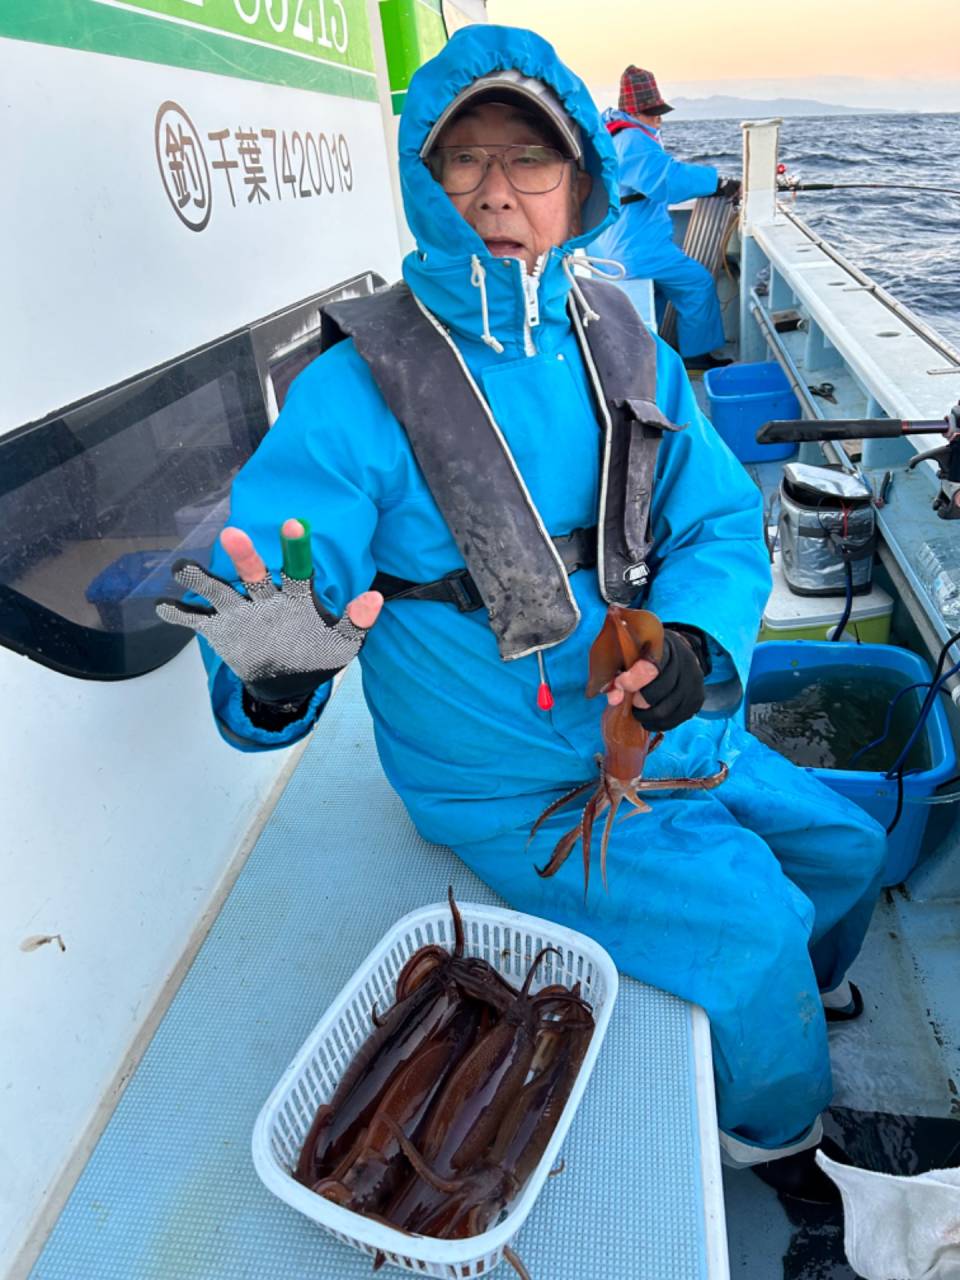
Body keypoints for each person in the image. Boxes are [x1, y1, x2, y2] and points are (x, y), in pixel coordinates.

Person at [157, 24, 886, 1203]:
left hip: (663, 726)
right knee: (752, 931)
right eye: (466, 159)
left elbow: (709, 522)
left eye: (529, 159)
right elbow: (292, 565)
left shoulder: (625, 336)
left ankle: (811, 985)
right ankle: (779, 1138)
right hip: (510, 777)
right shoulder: (356, 386)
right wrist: (274, 677)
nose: (499, 190)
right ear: (424, 177)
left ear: (580, 179)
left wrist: (699, 644)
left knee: (844, 849)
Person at [588, 65, 741, 371]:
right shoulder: (632, 139)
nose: (658, 117)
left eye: (659, 110)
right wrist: (719, 184)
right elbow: (666, 181)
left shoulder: (612, 134)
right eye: (651, 111)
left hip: (617, 241)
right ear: (633, 111)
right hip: (636, 247)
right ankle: (696, 357)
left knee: (658, 292)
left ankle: (661, 352)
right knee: (696, 283)